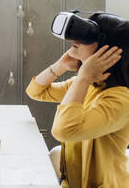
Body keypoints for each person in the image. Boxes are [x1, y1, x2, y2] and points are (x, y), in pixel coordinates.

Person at [26, 12, 129, 187]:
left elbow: (64, 131)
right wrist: (60, 66)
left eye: (87, 38)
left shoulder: (120, 99)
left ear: (107, 50)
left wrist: (84, 76)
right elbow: (36, 91)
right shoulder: (87, 85)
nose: (76, 41)